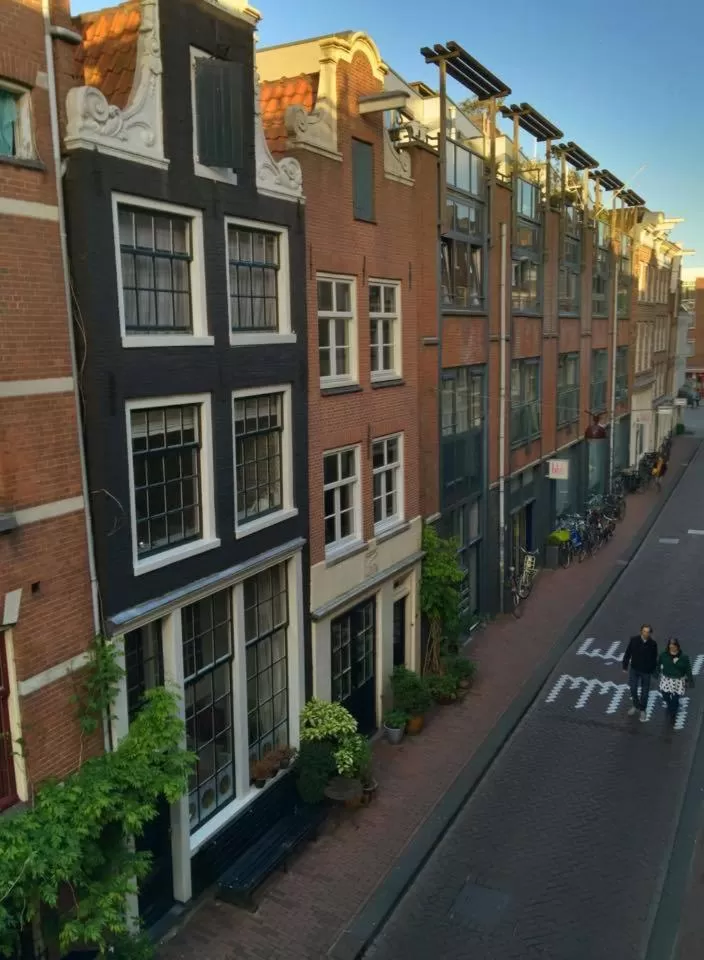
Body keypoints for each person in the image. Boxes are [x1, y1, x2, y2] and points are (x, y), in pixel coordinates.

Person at [622, 624, 658, 722]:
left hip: (646, 671)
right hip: (634, 669)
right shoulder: (634, 640)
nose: (646, 633)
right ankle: (636, 705)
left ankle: (642, 710)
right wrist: (625, 666)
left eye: (648, 632)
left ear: (650, 633)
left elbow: (654, 658)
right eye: (644, 631)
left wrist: (653, 670)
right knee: (633, 688)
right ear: (641, 631)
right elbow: (628, 653)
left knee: (645, 692)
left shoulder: (653, 644)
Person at [658, 638, 693, 725]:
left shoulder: (684, 657)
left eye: (674, 645)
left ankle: (673, 714)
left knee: (675, 699)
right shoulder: (663, 655)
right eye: (670, 645)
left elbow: (688, 669)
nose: (672, 647)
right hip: (667, 679)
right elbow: (658, 664)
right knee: (665, 695)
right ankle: (671, 707)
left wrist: (690, 681)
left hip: (678, 680)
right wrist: (656, 672)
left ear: (677, 646)